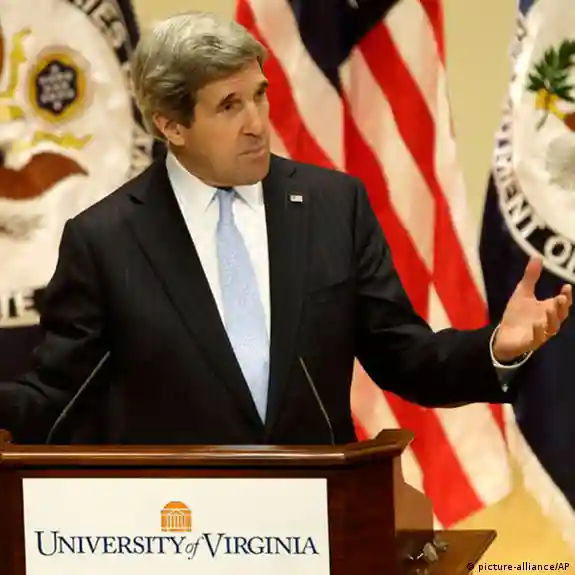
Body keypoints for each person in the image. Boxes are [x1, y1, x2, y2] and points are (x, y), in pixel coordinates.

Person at [0, 12, 571, 446]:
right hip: (178, 524)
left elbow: (405, 356)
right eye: (229, 106)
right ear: (171, 125)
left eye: (260, 95)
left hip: (322, 511)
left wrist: (496, 347)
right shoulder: (105, 241)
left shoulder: (332, 207)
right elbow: (57, 397)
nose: (257, 124)